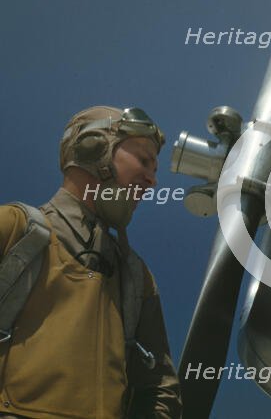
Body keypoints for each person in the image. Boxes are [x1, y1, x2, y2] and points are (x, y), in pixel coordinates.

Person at [0, 106, 182, 418]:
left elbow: (159, 389)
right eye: (144, 160)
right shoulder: (13, 228)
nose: (152, 180)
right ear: (94, 147)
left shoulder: (137, 277)